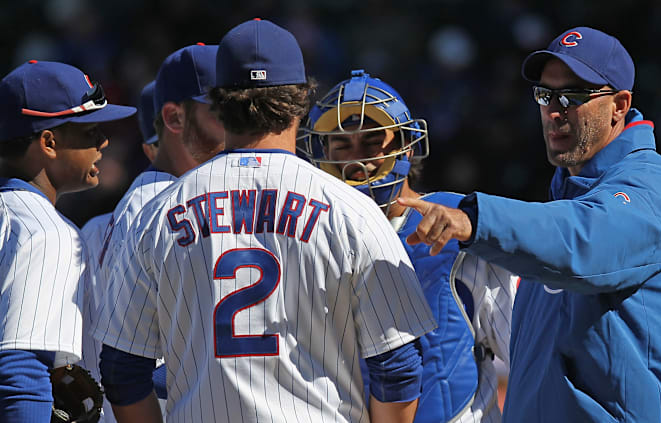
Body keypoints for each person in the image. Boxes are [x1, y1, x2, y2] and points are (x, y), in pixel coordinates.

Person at [93, 19, 436, 423]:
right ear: (301, 102)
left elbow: (121, 370)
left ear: (219, 104)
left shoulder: (156, 215)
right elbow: (397, 367)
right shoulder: (352, 211)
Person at [399, 26, 661, 422]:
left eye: (573, 96)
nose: (554, 111)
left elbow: (586, 240)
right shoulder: (567, 199)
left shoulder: (651, 188)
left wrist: (475, 220)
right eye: (545, 95)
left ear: (619, 105)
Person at [301, 69, 517, 422]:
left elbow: (525, 349)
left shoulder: (461, 224)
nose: (356, 160)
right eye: (342, 144)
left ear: (407, 145)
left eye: (371, 141)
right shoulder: (308, 235)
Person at [90, 43, 224, 422]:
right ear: (174, 119)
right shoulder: (157, 206)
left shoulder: (162, 196)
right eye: (221, 112)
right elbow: (136, 363)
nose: (236, 127)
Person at [0, 60, 135, 420]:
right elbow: (21, 373)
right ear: (49, 141)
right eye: (91, 131)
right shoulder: (46, 232)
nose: (104, 142)